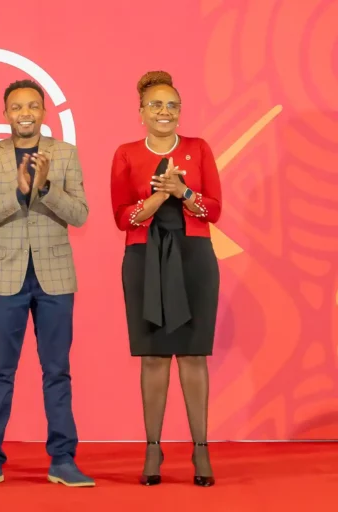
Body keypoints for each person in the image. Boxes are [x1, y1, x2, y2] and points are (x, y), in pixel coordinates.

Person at [0, 79, 93, 487]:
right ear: (5, 114)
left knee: (57, 371)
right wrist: (19, 195)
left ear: (44, 112)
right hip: (4, 277)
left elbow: (80, 214)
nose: (25, 113)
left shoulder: (65, 155)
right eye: (17, 107)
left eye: (33, 106)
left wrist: (46, 188)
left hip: (55, 276)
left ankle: (62, 459)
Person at [110, 70, 222, 487]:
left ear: (180, 111)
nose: (164, 111)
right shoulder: (125, 153)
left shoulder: (199, 148)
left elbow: (214, 209)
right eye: (155, 105)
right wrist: (159, 195)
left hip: (194, 258)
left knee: (194, 355)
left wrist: (184, 192)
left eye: (171, 105)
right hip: (144, 258)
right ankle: (153, 449)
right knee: (154, 356)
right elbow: (123, 216)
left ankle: (201, 451)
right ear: (141, 112)